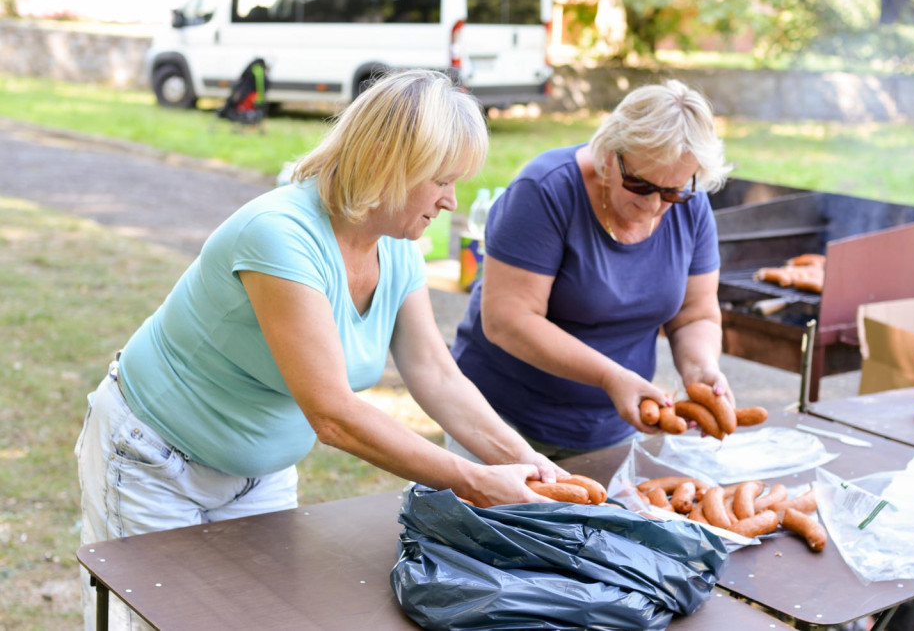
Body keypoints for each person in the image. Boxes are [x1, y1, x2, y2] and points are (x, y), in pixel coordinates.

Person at [74, 69, 563, 630]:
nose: (451, 202)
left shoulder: (397, 247)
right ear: (386, 159)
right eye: (441, 180)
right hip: (153, 461)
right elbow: (332, 414)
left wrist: (531, 465)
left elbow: (437, 376)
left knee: (261, 619)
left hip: (261, 473)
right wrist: (472, 480)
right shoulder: (279, 235)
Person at [449, 80, 733, 461]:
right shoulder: (545, 190)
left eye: (672, 192)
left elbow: (694, 314)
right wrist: (610, 377)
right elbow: (507, 319)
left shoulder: (691, 206)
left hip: (611, 427)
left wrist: (701, 370)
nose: (653, 206)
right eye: (640, 184)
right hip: (501, 419)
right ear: (609, 153)